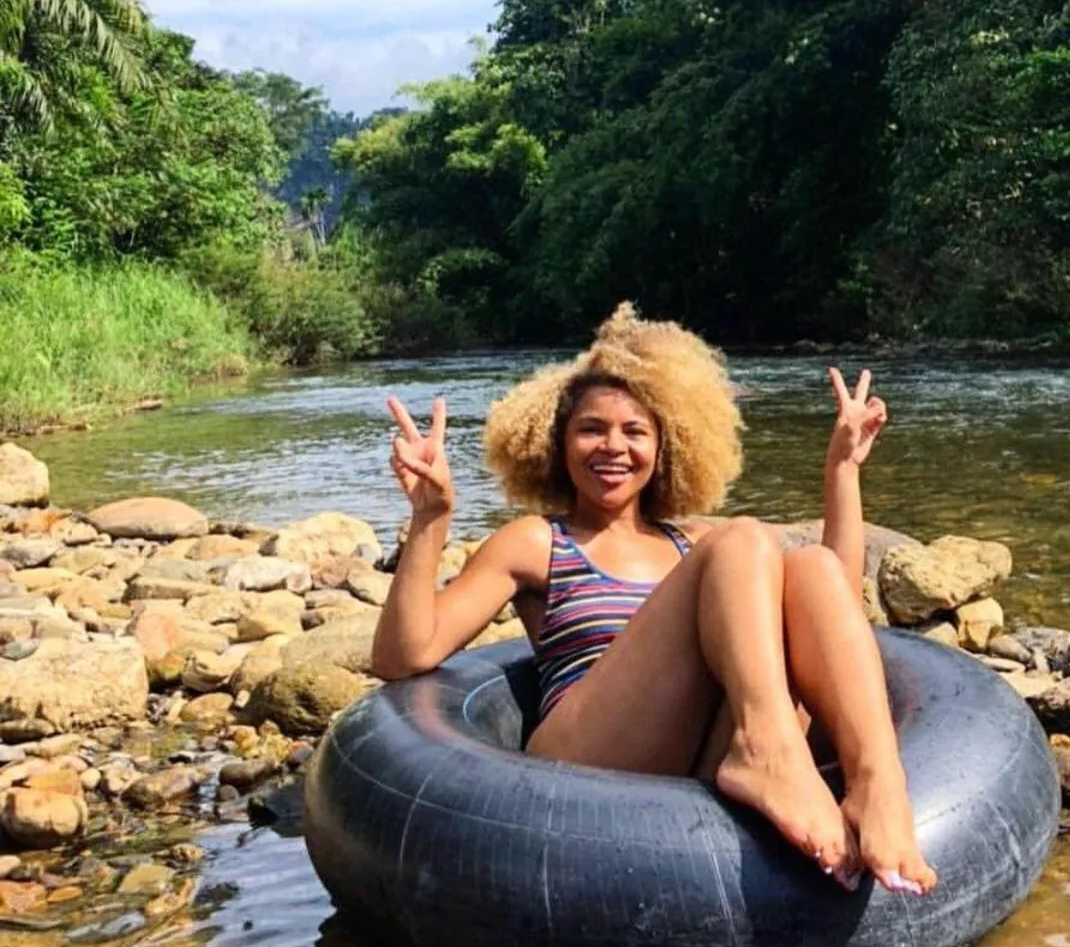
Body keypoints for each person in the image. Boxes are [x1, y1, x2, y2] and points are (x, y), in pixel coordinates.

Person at [371, 304, 935, 896]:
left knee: (809, 564)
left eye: (634, 431)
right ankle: (766, 750)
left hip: (694, 754)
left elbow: (831, 613)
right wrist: (431, 519)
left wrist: (842, 470)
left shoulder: (689, 543)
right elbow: (405, 656)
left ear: (665, 447)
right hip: (585, 759)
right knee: (743, 538)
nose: (612, 447)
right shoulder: (539, 541)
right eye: (591, 429)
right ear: (557, 443)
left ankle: (875, 777)